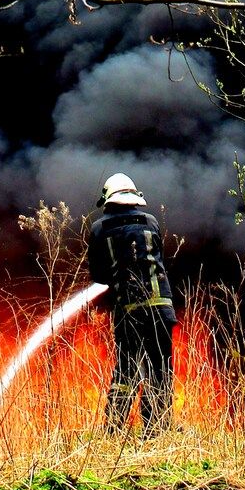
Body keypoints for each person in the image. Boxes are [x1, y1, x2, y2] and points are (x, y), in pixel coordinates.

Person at [87, 173, 176, 436]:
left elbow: (99, 276)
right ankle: (156, 431)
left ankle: (114, 428)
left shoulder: (100, 229)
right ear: (134, 197)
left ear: (109, 200)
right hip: (161, 308)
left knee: (127, 370)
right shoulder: (150, 221)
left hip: (128, 312)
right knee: (159, 370)